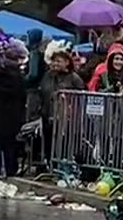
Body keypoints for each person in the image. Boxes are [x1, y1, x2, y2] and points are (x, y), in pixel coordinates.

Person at [33, 40, 86, 168]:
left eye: (59, 61)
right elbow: (41, 92)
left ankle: (63, 166)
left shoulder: (74, 78)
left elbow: (81, 95)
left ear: (67, 62)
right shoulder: (48, 76)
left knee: (64, 143)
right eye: (54, 61)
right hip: (48, 115)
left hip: (67, 118)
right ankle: (50, 165)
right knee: (49, 142)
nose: (55, 64)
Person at [0, 38, 28, 179]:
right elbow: (23, 95)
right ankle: (10, 172)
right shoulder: (19, 77)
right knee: (10, 145)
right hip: (13, 114)